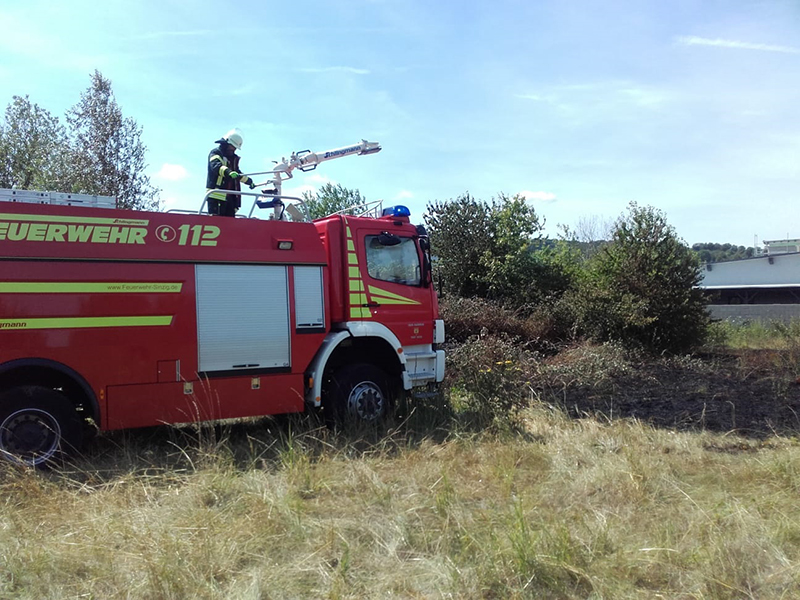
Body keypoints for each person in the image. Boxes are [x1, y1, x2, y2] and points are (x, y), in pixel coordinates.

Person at [206, 129, 256, 217]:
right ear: (226, 143)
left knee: (229, 224)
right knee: (216, 222)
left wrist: (249, 181)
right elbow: (216, 166)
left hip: (230, 197)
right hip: (216, 196)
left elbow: (237, 174)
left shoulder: (232, 158)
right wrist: (229, 172)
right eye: (232, 146)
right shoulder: (215, 153)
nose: (234, 149)